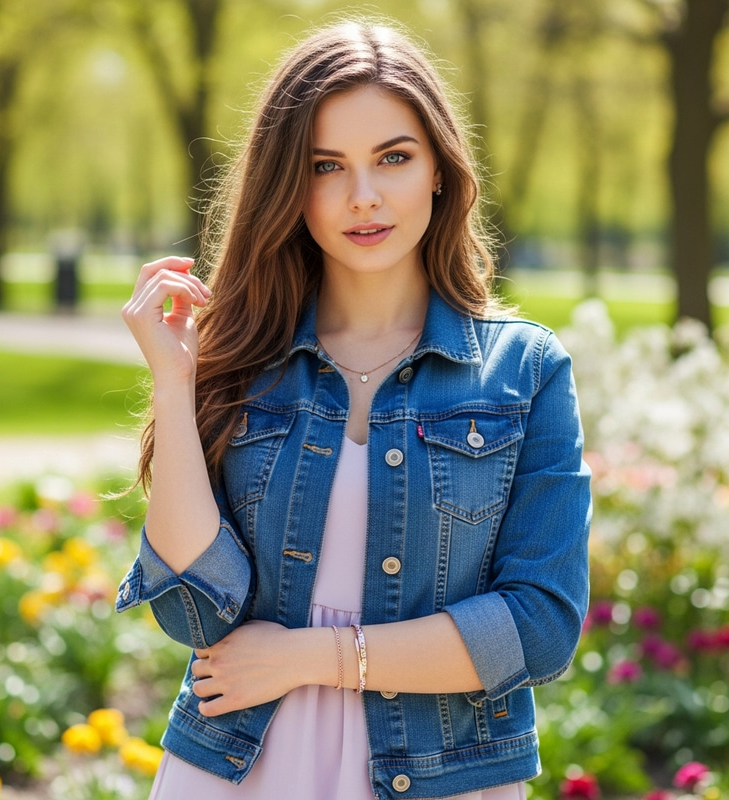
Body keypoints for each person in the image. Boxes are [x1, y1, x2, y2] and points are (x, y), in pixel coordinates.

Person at [116, 18, 591, 800]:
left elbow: (540, 626)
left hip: (446, 775)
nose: (362, 197)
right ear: (288, 186)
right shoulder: (239, 358)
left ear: (439, 168)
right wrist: (175, 384)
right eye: (325, 166)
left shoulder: (525, 369)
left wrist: (314, 658)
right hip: (237, 767)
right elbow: (198, 613)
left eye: (393, 159)